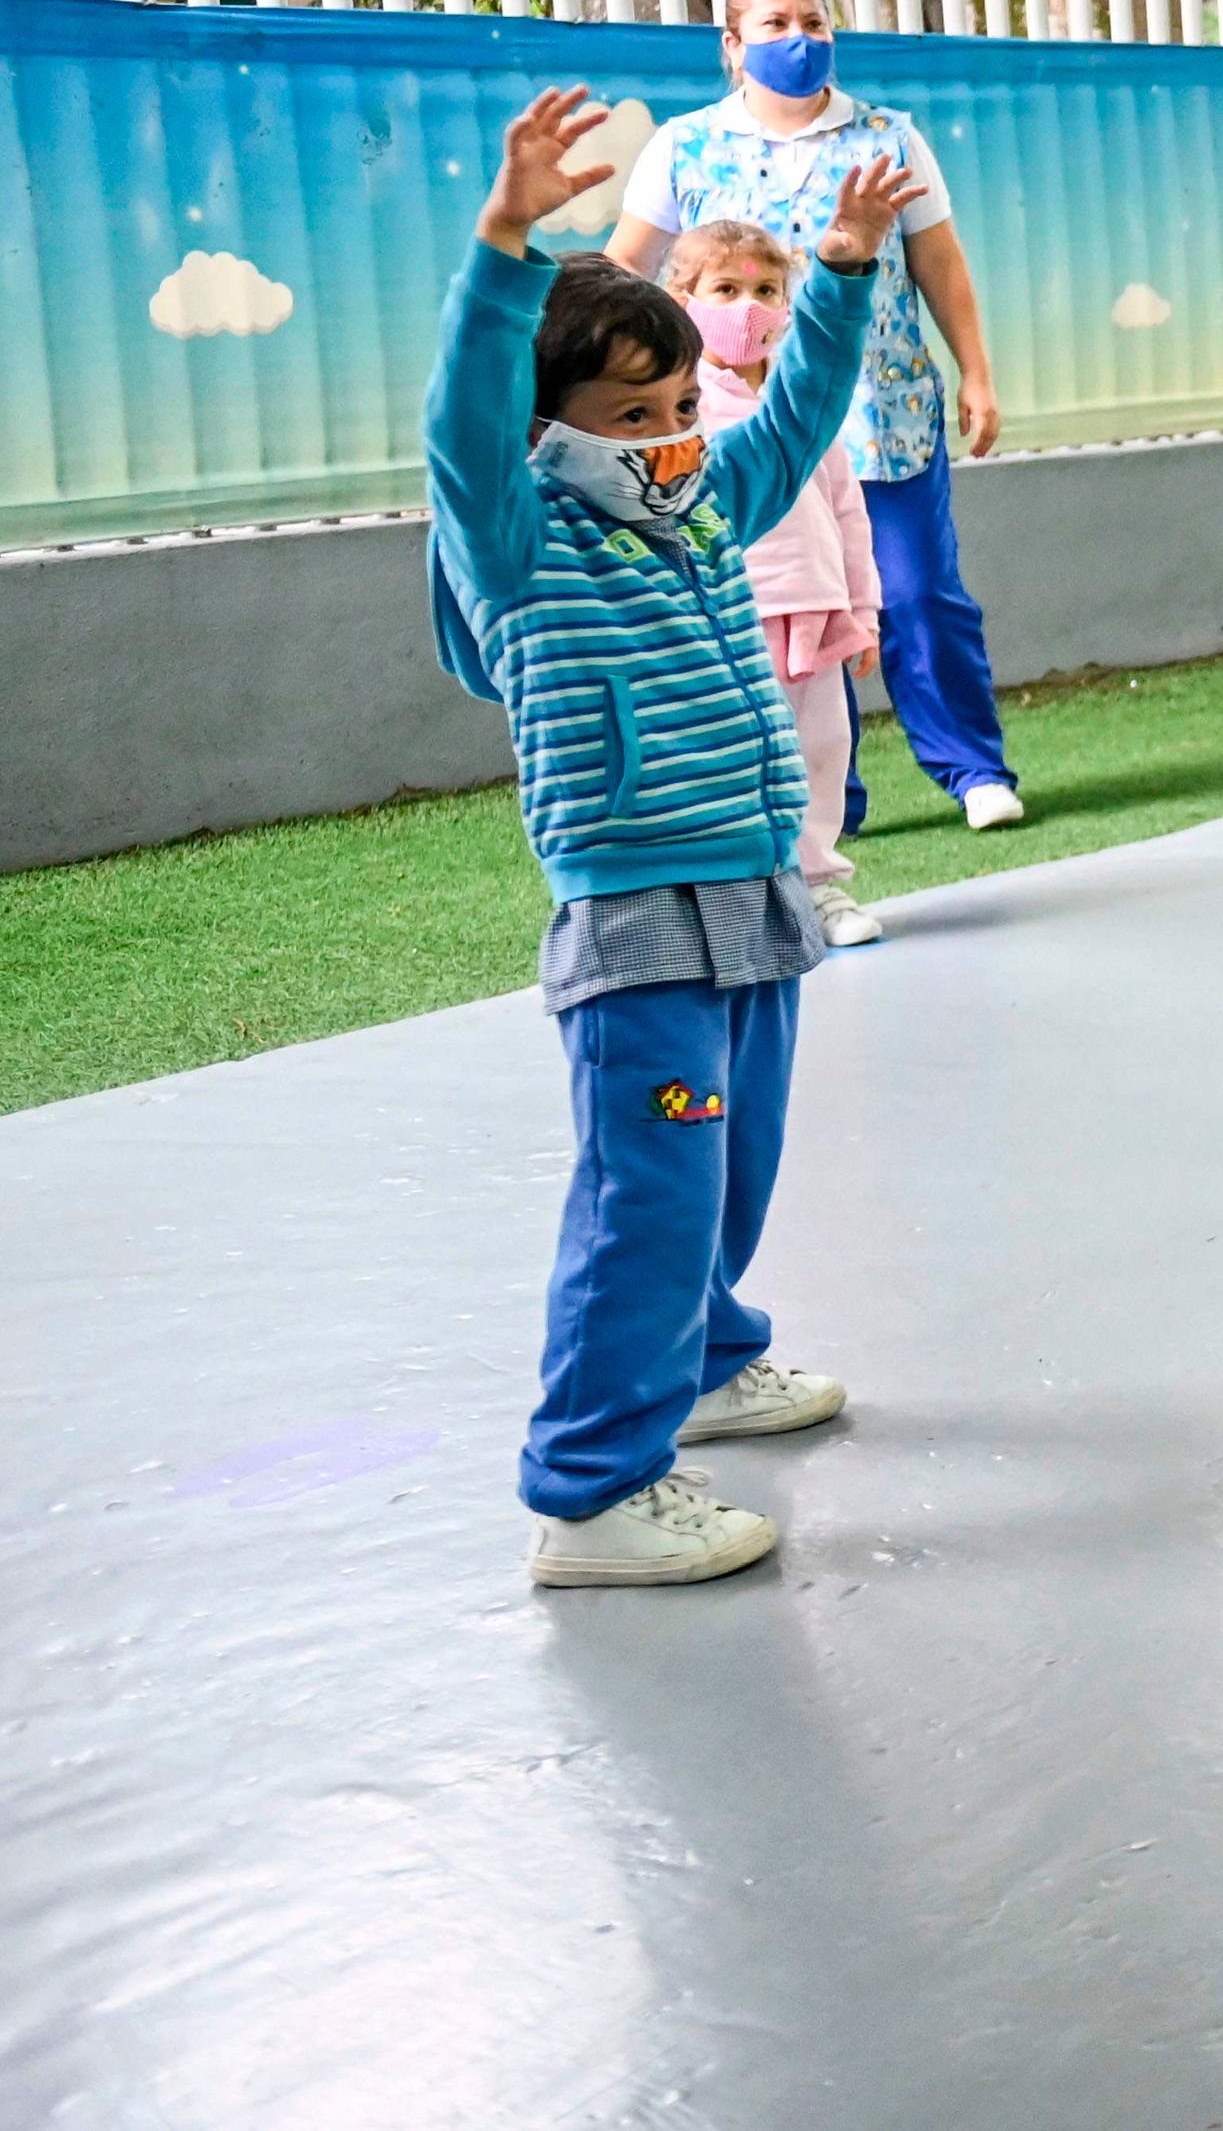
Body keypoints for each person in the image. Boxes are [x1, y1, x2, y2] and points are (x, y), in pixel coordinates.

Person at [427, 85, 917, 1587]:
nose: (668, 437)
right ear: (544, 426)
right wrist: (507, 245)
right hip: (637, 915)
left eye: (679, 405)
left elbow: (802, 411)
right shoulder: (514, 531)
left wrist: (837, 276)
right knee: (649, 1193)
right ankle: (592, 1490)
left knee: (731, 1168)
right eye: (629, 417)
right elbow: (462, 415)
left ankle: (704, 1359)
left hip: (756, 892)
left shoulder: (704, 503)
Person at [609, 0, 1025, 836]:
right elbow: (626, 272)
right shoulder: (683, 146)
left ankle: (972, 767)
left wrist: (977, 372)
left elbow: (938, 263)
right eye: (773, 23)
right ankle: (831, 802)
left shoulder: (890, 138)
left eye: (812, 18)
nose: (798, 37)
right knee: (792, 604)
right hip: (738, 424)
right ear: (733, 46)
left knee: (915, 593)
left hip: (883, 411)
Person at [670, 218, 887, 949]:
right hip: (734, 618)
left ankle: (818, 888)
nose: (748, 306)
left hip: (818, 612)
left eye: (766, 289)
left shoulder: (803, 404)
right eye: (725, 289)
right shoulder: (680, 406)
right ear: (683, 297)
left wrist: (863, 607)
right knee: (740, 762)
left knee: (822, 751)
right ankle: (739, 903)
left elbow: (847, 509)